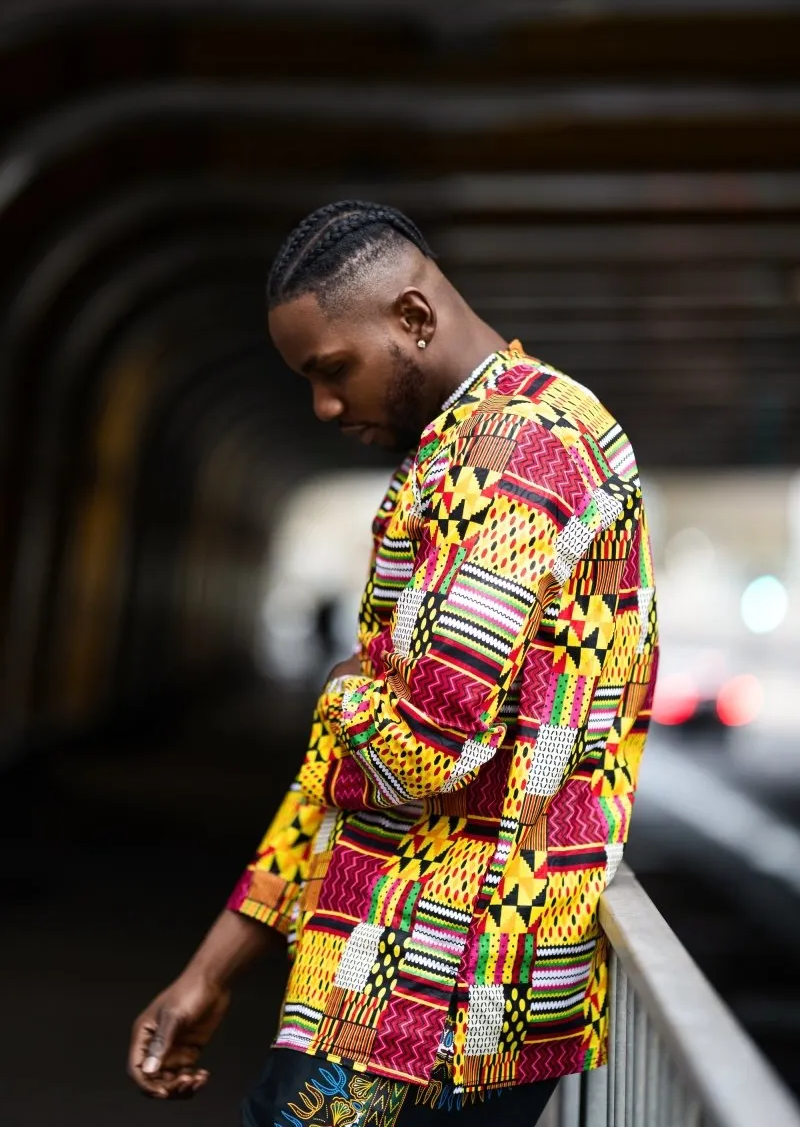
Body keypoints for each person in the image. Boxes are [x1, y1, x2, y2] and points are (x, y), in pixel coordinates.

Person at [128, 201, 659, 1125]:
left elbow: (422, 749)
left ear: (413, 317)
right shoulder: (460, 450)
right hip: (385, 991)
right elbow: (347, 782)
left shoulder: (521, 454)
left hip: (434, 1007)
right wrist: (212, 970)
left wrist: (343, 691)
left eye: (333, 370)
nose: (325, 405)